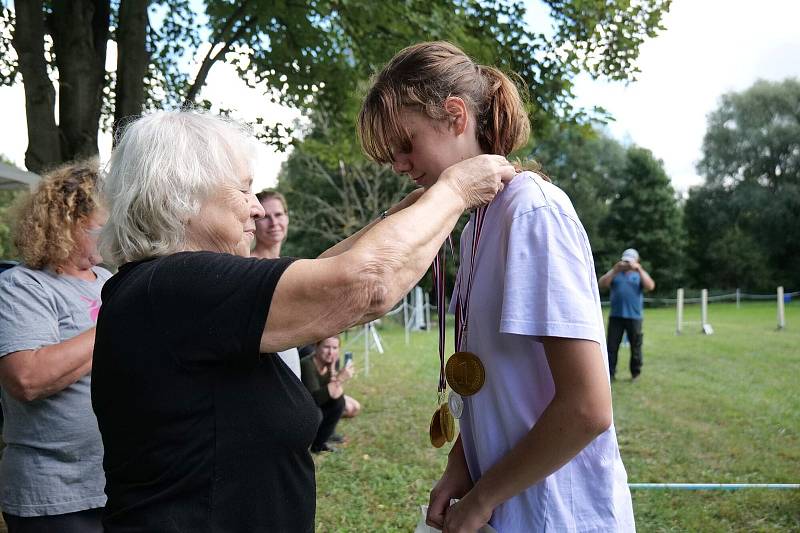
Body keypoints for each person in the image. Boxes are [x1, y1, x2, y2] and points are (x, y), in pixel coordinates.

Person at [90, 109, 513, 532]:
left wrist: (411, 209)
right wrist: (455, 191)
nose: (257, 208)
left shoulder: (161, 289)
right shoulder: (174, 286)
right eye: (243, 189)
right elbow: (364, 287)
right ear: (182, 197)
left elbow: (317, 272)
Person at [358, 41, 634, 532]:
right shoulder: (478, 224)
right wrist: (461, 465)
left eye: (406, 143)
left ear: (456, 116)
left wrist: (483, 497)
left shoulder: (533, 212)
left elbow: (587, 407)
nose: (399, 164)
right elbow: (500, 380)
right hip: (507, 508)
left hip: (556, 515)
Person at [0, 160, 109, 533]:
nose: (110, 235)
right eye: (102, 225)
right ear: (69, 221)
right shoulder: (24, 286)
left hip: (116, 484)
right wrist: (116, 323)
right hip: (53, 495)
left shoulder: (108, 279)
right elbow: (26, 378)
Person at [252, 189, 301, 378]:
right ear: (254, 221)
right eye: (265, 217)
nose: (274, 223)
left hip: (289, 356)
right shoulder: (245, 265)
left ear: (287, 218)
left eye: (279, 214)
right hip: (260, 365)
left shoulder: (291, 266)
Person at [598, 248, 656, 381]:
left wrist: (639, 269)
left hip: (634, 317)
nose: (627, 264)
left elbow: (650, 286)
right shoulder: (616, 273)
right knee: (612, 347)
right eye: (625, 261)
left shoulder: (639, 275)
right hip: (616, 316)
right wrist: (615, 269)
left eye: (630, 261)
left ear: (637, 261)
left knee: (636, 347)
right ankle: (610, 374)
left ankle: (635, 373)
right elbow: (602, 284)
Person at [300, 336, 360, 453]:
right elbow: (316, 398)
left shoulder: (333, 361)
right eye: (326, 347)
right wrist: (339, 379)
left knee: (339, 403)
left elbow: (337, 395)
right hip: (305, 406)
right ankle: (304, 446)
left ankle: (320, 444)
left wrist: (333, 372)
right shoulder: (307, 364)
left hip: (319, 401)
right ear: (316, 347)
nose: (330, 352)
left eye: (335, 348)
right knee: (318, 413)